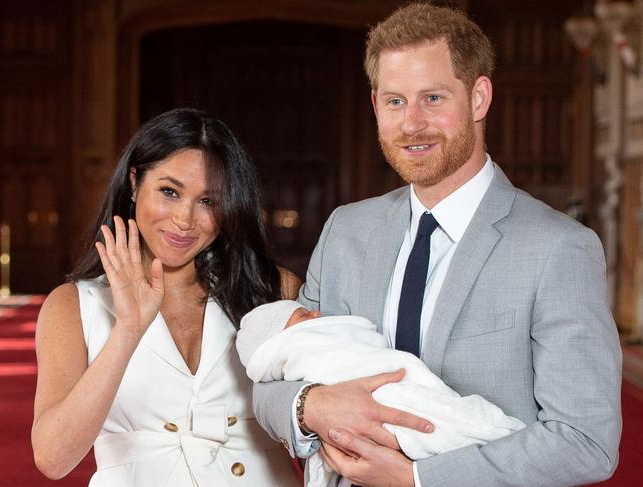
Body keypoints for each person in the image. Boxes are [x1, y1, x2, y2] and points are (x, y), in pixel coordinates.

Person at [253, 3, 622, 487]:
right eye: (395, 101)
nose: (411, 124)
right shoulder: (346, 230)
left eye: (432, 98)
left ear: (478, 98)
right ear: (375, 105)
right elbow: (270, 384)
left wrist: (419, 477)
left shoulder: (558, 249)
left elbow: (585, 440)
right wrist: (312, 405)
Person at [31, 108, 301, 486]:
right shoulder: (73, 306)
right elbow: (53, 457)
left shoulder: (275, 289)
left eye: (208, 201)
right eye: (169, 192)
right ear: (134, 181)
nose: (185, 219)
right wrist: (127, 329)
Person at [237, 300, 525, 487]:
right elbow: (267, 392)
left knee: (432, 414)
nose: (316, 313)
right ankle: (477, 429)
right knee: (437, 421)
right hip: (360, 448)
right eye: (303, 315)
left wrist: (412, 477)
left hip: (477, 471)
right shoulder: (340, 231)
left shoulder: (556, 243)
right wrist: (312, 404)